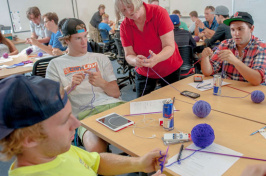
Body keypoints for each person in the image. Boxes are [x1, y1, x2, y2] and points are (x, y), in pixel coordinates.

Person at [0, 75, 167, 176]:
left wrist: (138, 163)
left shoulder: (53, 149)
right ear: (29, 139)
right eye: (65, 121)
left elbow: (97, 162)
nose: (77, 123)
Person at [46, 18, 124, 153]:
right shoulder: (55, 65)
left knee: (143, 133)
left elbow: (115, 93)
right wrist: (69, 87)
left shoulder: (101, 58)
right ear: (66, 40)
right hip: (85, 115)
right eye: (78, 38)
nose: (84, 42)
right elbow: (50, 102)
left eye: (85, 37)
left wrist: (102, 83)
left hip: (114, 107)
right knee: (96, 151)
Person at [115, 0, 183, 98]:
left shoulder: (159, 13)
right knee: (141, 105)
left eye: (130, 7)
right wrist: (135, 60)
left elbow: (169, 46)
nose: (128, 12)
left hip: (169, 68)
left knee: (172, 103)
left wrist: (157, 58)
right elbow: (128, 55)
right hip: (144, 72)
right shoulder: (124, 26)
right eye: (124, 10)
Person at [200, 11, 266, 86]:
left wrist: (235, 61)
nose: (236, 33)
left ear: (251, 29)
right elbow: (208, 72)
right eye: (232, 30)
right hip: (229, 90)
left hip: (251, 92)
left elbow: (257, 80)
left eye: (240, 29)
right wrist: (205, 57)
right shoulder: (225, 44)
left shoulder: (261, 47)